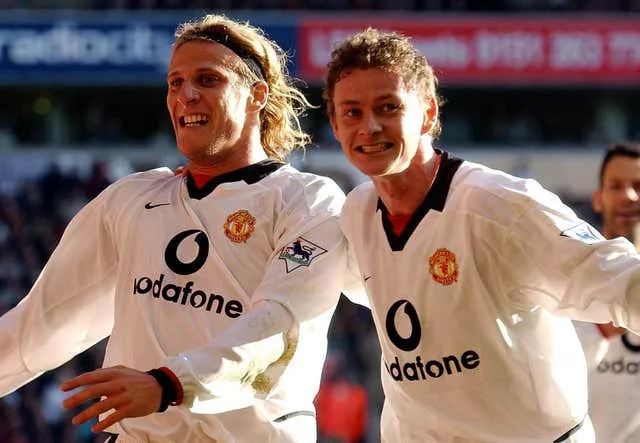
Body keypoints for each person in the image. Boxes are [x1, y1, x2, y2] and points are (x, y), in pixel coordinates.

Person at [0, 14, 350, 443]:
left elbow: (279, 330)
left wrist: (169, 384)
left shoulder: (308, 199)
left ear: (256, 95)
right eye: (175, 82)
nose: (186, 95)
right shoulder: (130, 199)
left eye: (207, 80)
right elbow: (37, 327)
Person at [325, 28, 640, 442]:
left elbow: (618, 279)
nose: (369, 126)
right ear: (333, 123)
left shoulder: (501, 206)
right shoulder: (357, 213)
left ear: (430, 114)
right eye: (352, 112)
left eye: (388, 107)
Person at [575, 142, 640, 443]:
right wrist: (601, 329)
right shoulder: (569, 276)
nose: (629, 196)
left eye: (638, 186)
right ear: (598, 199)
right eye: (616, 186)